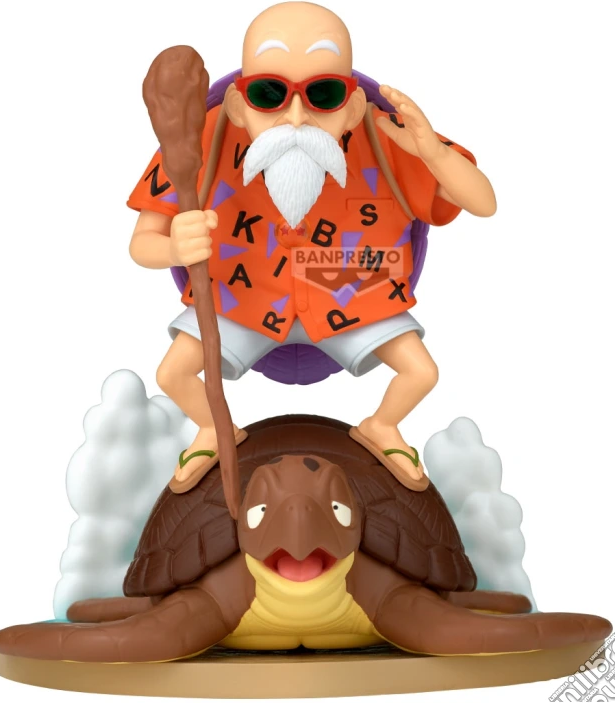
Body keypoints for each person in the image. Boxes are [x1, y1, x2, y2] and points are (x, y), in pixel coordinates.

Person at [127, 1, 496, 493]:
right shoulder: (203, 142)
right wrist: (174, 248)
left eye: (323, 94)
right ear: (238, 104)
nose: (296, 117)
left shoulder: (387, 140)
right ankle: (214, 429)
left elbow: (484, 203)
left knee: (422, 373)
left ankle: (382, 426)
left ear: (352, 106)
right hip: (240, 299)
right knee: (172, 374)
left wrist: (430, 151)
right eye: (268, 94)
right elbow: (142, 244)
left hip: (353, 291)